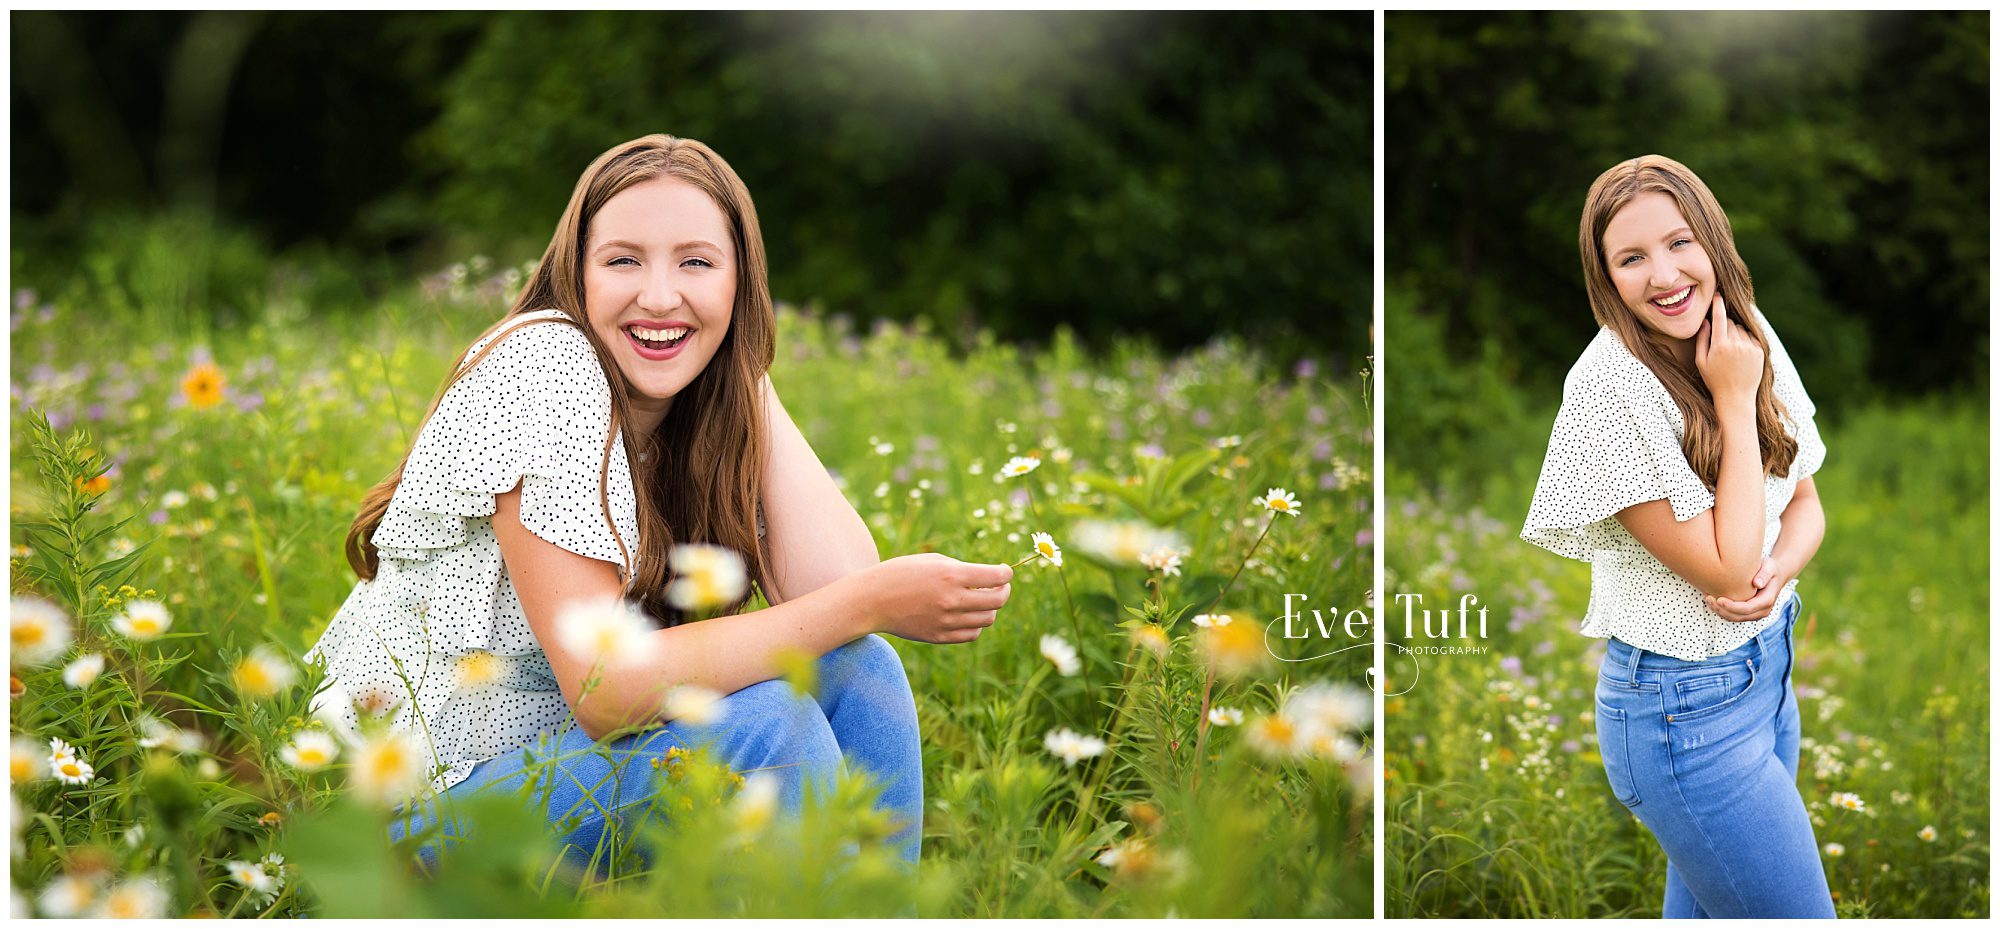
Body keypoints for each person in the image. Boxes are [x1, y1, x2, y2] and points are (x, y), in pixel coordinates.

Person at [304, 134, 1013, 873]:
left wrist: (739, 361)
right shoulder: (545, 362)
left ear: (741, 283)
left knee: (860, 670)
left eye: (698, 263)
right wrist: (870, 600)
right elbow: (608, 691)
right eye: (623, 260)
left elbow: (833, 598)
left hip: (552, 776)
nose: (660, 294)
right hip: (400, 822)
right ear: (576, 274)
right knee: (771, 720)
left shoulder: (689, 408)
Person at [1520, 154, 1833, 918]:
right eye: (1631, 257)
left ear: (1714, 243)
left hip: (1767, 678)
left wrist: (1776, 575)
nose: (1663, 274)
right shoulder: (1607, 390)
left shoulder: (1743, 333)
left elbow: (1807, 504)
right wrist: (1732, 397)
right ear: (1606, 276)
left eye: (1679, 242)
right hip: (1682, 714)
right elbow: (1726, 570)